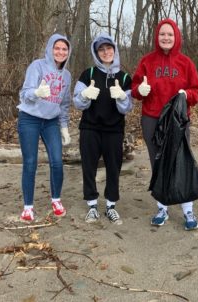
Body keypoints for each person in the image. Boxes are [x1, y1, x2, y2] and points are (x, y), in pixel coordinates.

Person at [131, 18, 198, 231]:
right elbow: (135, 87)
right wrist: (139, 91)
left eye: (170, 34)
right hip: (152, 118)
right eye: (162, 34)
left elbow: (197, 91)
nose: (166, 38)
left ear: (176, 37)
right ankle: (162, 207)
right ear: (157, 36)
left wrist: (186, 94)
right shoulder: (147, 61)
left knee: (181, 161)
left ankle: (187, 209)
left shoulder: (185, 63)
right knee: (158, 162)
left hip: (177, 120)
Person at [73, 34, 133, 224]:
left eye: (109, 48)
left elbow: (127, 107)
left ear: (114, 50)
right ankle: (92, 206)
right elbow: (77, 103)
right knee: (89, 166)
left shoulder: (124, 77)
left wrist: (122, 97)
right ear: (96, 53)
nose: (106, 52)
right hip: (90, 128)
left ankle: (110, 206)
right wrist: (84, 94)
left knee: (113, 168)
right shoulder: (88, 74)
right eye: (101, 49)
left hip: (114, 130)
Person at [17, 34, 72, 222]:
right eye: (57, 48)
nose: (60, 52)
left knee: (57, 161)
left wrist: (64, 128)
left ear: (68, 52)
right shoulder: (37, 66)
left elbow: (64, 105)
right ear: (50, 48)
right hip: (29, 119)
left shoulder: (67, 76)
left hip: (51, 122)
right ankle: (28, 207)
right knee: (30, 162)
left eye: (64, 49)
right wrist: (36, 93)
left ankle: (56, 199)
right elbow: (24, 94)